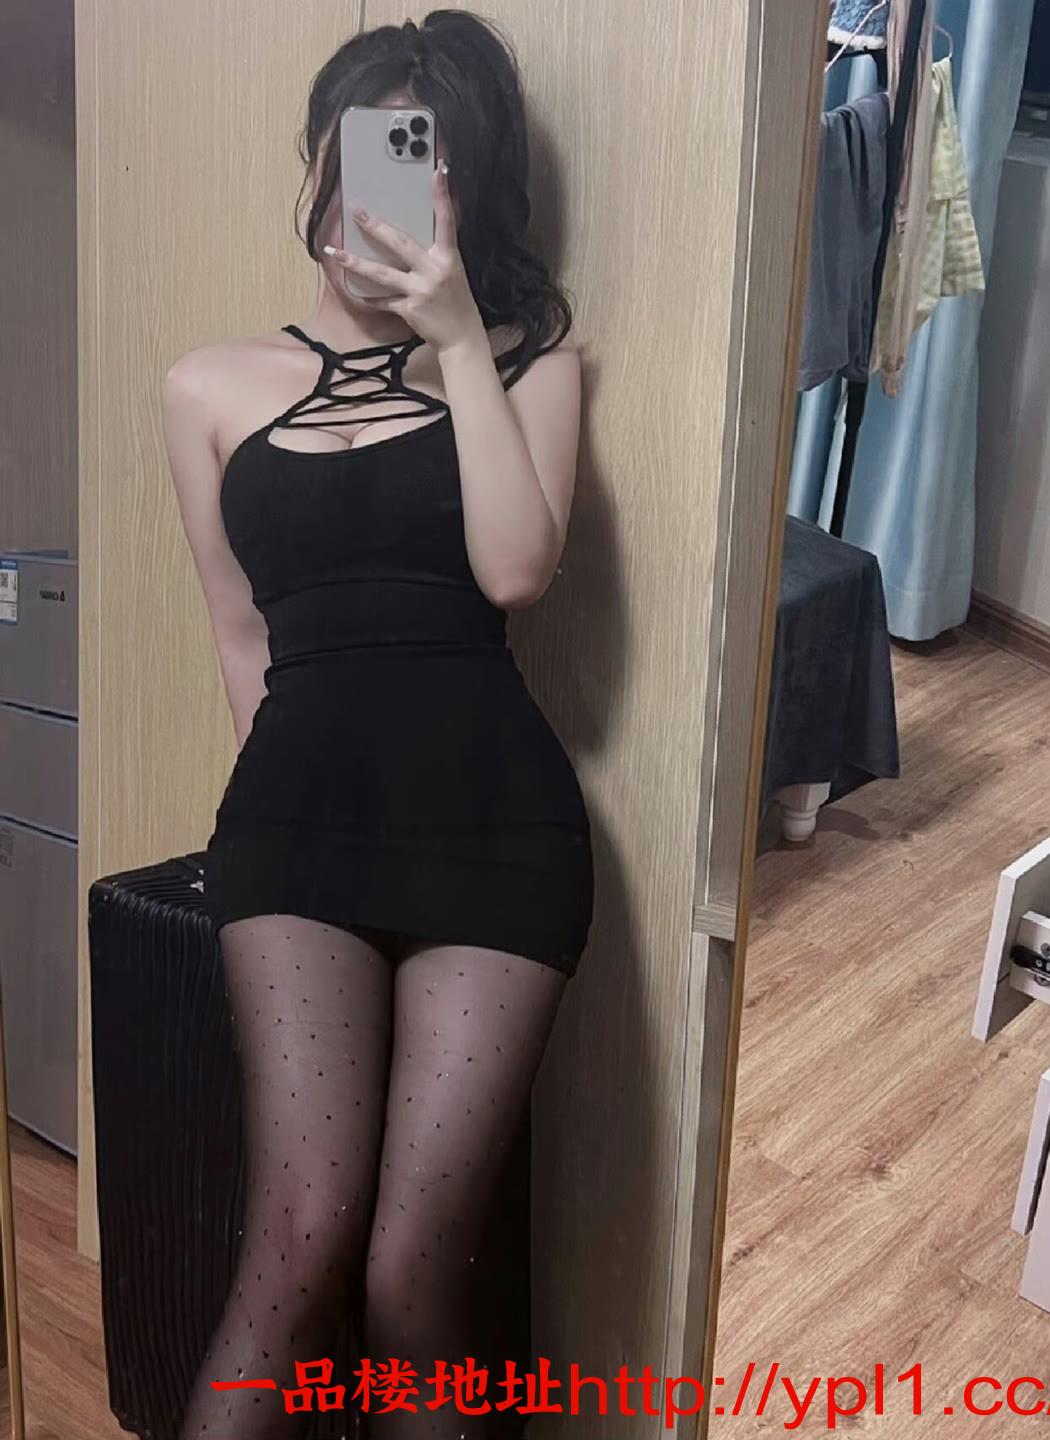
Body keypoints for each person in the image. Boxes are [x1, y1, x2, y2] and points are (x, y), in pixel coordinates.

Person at [162, 11, 594, 1438]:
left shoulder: (530, 363)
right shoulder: (207, 386)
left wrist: (458, 333)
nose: (391, 198)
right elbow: (242, 640)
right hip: (297, 826)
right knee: (296, 1246)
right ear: (317, 162)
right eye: (369, 155)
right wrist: (272, 828)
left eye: (431, 168)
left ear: (471, 192)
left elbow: (516, 573)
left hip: (494, 826)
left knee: (415, 1274)